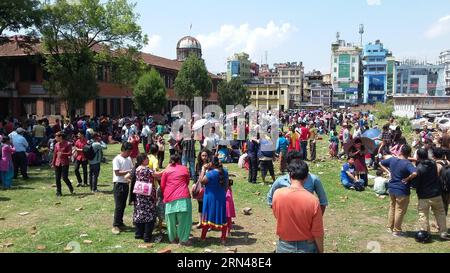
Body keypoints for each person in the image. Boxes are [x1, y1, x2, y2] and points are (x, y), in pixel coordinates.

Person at [272, 160, 324, 253]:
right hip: (307, 246)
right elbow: (318, 232)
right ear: (307, 176)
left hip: (284, 245)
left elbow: (277, 215)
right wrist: (321, 251)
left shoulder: (277, 194)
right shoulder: (313, 200)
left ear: (289, 174)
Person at [380, 145, 417, 237]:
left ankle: (389, 227)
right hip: (402, 190)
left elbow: (381, 163)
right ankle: (397, 230)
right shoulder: (407, 163)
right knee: (399, 210)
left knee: (392, 208)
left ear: (400, 152)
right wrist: (407, 179)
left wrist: (389, 172)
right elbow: (415, 173)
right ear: (409, 154)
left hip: (392, 188)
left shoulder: (392, 159)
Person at [413, 149, 449, 240]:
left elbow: (416, 183)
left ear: (418, 156)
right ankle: (443, 232)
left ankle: (425, 233)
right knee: (440, 213)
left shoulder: (419, 168)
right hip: (436, 193)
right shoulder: (433, 163)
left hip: (424, 196)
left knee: (423, 215)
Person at [160, 153, 192, 245]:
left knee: (170, 221)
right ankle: (183, 240)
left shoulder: (166, 171)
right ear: (180, 160)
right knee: (184, 221)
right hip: (183, 197)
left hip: (170, 197)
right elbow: (187, 181)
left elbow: (162, 185)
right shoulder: (184, 169)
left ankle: (172, 239)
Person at [198, 156, 229, 245]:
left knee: (207, 215)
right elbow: (227, 187)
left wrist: (203, 169)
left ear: (211, 163)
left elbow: (201, 181)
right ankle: (223, 238)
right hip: (221, 197)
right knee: (222, 215)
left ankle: (203, 237)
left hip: (210, 198)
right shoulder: (225, 172)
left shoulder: (210, 174)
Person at [132, 154, 158, 243]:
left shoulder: (137, 169)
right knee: (149, 214)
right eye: (147, 158)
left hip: (139, 193)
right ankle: (147, 236)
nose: (148, 160)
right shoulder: (147, 170)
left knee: (140, 212)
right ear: (143, 160)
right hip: (148, 194)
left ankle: (138, 234)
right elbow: (156, 175)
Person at [112, 142, 134, 235]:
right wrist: (128, 172)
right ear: (123, 150)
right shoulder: (117, 159)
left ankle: (120, 223)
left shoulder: (128, 159)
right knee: (119, 206)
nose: (130, 153)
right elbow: (117, 173)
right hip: (119, 184)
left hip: (125, 184)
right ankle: (115, 225)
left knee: (123, 205)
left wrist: (129, 178)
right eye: (128, 151)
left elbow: (131, 170)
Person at [52, 132, 74, 197]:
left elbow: (70, 153)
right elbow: (55, 154)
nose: (55, 138)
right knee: (57, 178)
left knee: (64, 177)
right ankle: (59, 192)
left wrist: (63, 154)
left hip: (65, 163)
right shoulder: (56, 144)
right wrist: (53, 163)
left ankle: (70, 187)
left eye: (56, 137)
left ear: (60, 137)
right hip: (57, 163)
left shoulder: (68, 144)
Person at [194, 149, 210, 229]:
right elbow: (196, 175)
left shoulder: (210, 165)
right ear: (200, 156)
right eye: (203, 155)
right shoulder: (198, 165)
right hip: (200, 186)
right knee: (200, 204)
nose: (204, 157)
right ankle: (200, 221)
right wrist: (194, 183)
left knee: (208, 204)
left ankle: (207, 221)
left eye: (206, 155)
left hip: (208, 186)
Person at [434, 147, 450, 216]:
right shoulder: (448, 162)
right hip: (447, 186)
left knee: (440, 205)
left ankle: (440, 223)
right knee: (445, 203)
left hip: (441, 187)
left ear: (434, 156)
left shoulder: (437, 165)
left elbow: (436, 177)